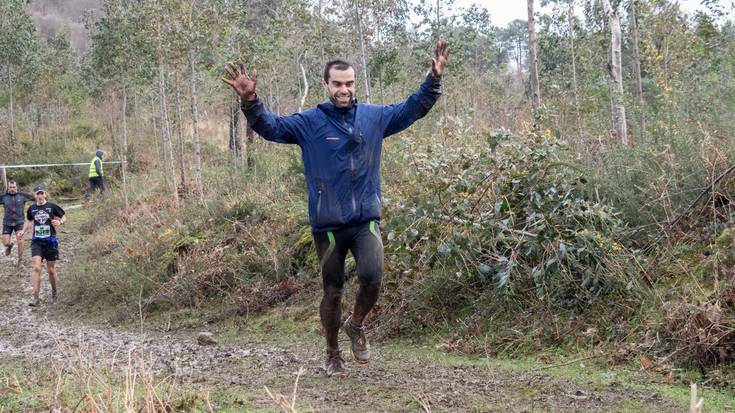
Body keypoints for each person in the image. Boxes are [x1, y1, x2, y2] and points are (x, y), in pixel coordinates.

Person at [223, 41, 450, 376]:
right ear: (326, 85)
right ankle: (332, 353)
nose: (344, 89)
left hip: (365, 221)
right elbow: (270, 127)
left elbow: (411, 109)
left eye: (349, 83)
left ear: (354, 84)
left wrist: (433, 80)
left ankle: (356, 324)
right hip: (328, 226)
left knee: (372, 277)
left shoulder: (374, 118)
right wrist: (250, 102)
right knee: (332, 291)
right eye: (338, 84)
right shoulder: (309, 122)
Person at [22, 185, 66, 307]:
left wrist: (60, 222)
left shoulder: (52, 206)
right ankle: (36, 297)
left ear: (45, 194)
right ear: (35, 195)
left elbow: (64, 216)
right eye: (37, 194)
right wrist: (22, 231)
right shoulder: (31, 208)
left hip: (50, 241)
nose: (40, 196)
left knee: (51, 270)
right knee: (37, 268)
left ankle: (54, 292)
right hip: (37, 242)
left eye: (42, 193)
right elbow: (29, 221)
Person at [0, 180, 34, 266]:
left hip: (19, 222)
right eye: (10, 187)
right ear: (8, 187)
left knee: (20, 240)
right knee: (5, 243)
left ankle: (20, 260)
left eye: (14, 187)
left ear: (16, 187)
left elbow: (35, 198)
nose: (12, 189)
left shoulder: (22, 196)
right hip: (7, 223)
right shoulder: (4, 197)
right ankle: (10, 246)